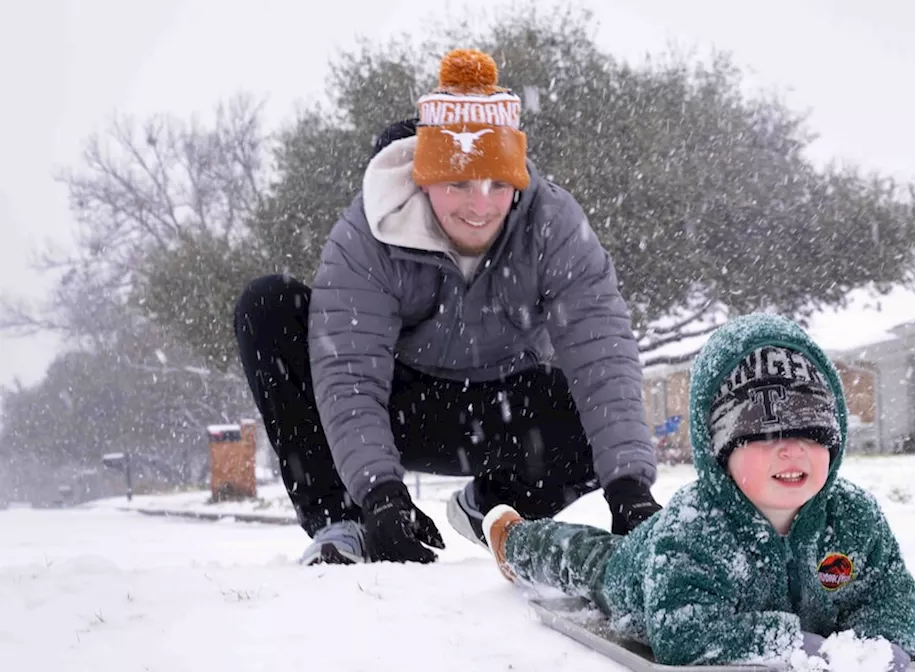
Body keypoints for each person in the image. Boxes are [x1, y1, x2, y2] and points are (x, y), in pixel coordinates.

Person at [233, 48, 661, 566]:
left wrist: (630, 489)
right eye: (459, 183)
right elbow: (348, 373)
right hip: (398, 403)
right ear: (426, 177)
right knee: (268, 306)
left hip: (505, 406)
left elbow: (602, 353)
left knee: (588, 405)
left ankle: (494, 507)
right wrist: (381, 497)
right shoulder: (367, 231)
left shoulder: (553, 222)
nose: (480, 206)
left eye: (498, 185)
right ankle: (341, 521)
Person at [482, 314, 915, 669]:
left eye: (811, 433)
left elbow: (887, 594)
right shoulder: (696, 528)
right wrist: (795, 645)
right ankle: (515, 538)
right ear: (720, 449)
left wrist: (881, 649)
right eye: (765, 434)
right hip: (639, 571)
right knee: (588, 558)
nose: (792, 450)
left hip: (680, 557)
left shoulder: (853, 519)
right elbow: (683, 633)